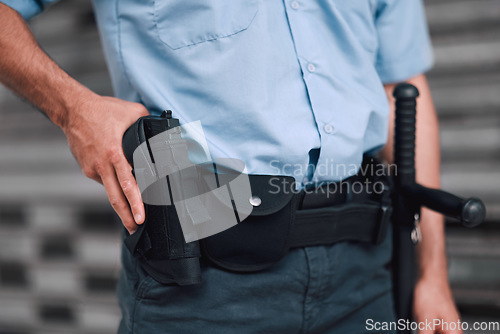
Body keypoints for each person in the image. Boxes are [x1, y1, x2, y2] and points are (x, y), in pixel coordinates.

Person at [0, 1, 462, 333]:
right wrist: (74, 110)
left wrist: (432, 275)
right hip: (205, 281)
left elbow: (403, 88)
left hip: (363, 275)